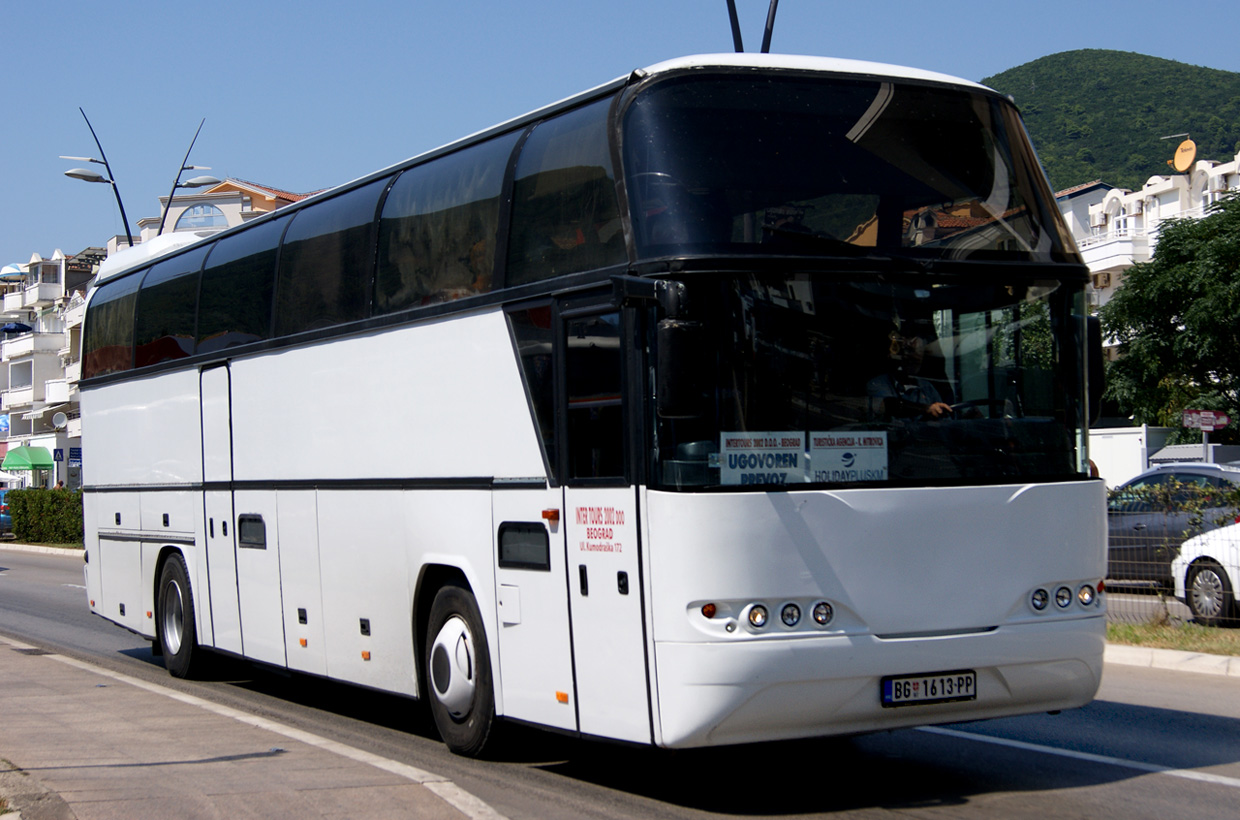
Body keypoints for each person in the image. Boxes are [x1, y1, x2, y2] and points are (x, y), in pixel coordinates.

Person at [867, 327, 953, 420]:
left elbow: (944, 420)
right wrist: (926, 409)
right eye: (908, 351)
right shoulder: (878, 384)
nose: (914, 357)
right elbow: (889, 406)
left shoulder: (927, 388)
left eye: (918, 353)